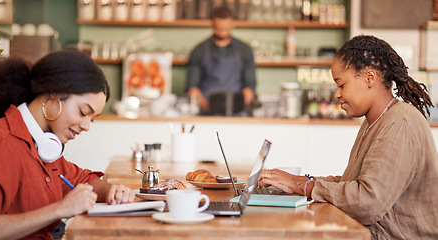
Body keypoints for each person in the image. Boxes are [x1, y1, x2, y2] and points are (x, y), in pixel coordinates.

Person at [258, 35, 438, 239]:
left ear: (370, 78)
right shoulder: (376, 120)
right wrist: (296, 183)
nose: (337, 94)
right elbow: (350, 183)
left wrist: (303, 186)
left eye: (341, 85)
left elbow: (367, 202)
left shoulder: (401, 123)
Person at [0, 50, 136, 239]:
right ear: (55, 92)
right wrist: (59, 209)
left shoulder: (44, 145)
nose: (86, 126)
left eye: (91, 119)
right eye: (83, 112)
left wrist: (113, 191)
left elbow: (80, 180)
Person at [186, 5, 256, 114]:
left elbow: (249, 87)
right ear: (212, 24)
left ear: (233, 24)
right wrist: (209, 109)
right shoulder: (199, 51)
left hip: (237, 114)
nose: (222, 32)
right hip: (207, 113)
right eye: (219, 28)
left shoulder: (244, 50)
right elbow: (192, 88)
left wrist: (236, 108)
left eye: (226, 28)